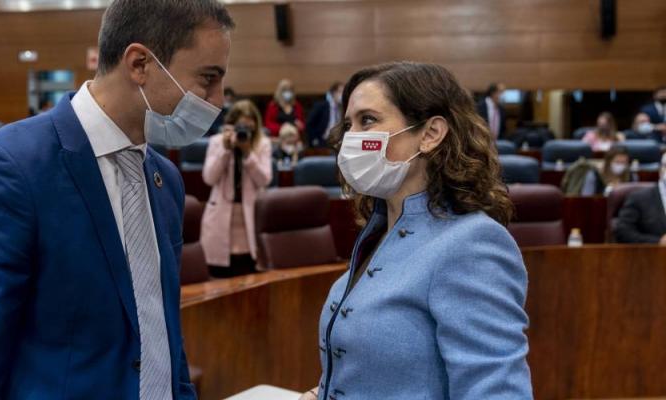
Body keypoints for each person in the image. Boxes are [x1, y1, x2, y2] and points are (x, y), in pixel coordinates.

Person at [0, 1, 233, 398]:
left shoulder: (165, 179)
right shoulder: (6, 168)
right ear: (139, 63)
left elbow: (161, 334)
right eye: (208, 78)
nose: (218, 100)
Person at [301, 62, 532, 400]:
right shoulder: (381, 231)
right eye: (348, 124)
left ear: (430, 134)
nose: (351, 137)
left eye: (368, 120)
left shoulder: (473, 244)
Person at [200, 100, 272, 277]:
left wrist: (248, 154)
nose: (244, 131)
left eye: (249, 126)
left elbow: (264, 180)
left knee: (249, 277)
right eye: (241, 126)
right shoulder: (217, 142)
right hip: (220, 218)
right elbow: (209, 178)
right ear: (231, 125)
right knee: (219, 276)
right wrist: (225, 149)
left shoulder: (262, 144)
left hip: (250, 219)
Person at [613, 153, 666, 245]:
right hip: (649, 255)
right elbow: (623, 232)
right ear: (661, 169)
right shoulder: (639, 198)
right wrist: (657, 241)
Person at [306, 81, 343, 147]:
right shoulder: (322, 106)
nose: (342, 94)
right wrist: (314, 139)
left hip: (336, 142)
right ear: (334, 93)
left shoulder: (342, 109)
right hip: (321, 141)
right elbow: (310, 123)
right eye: (340, 91)